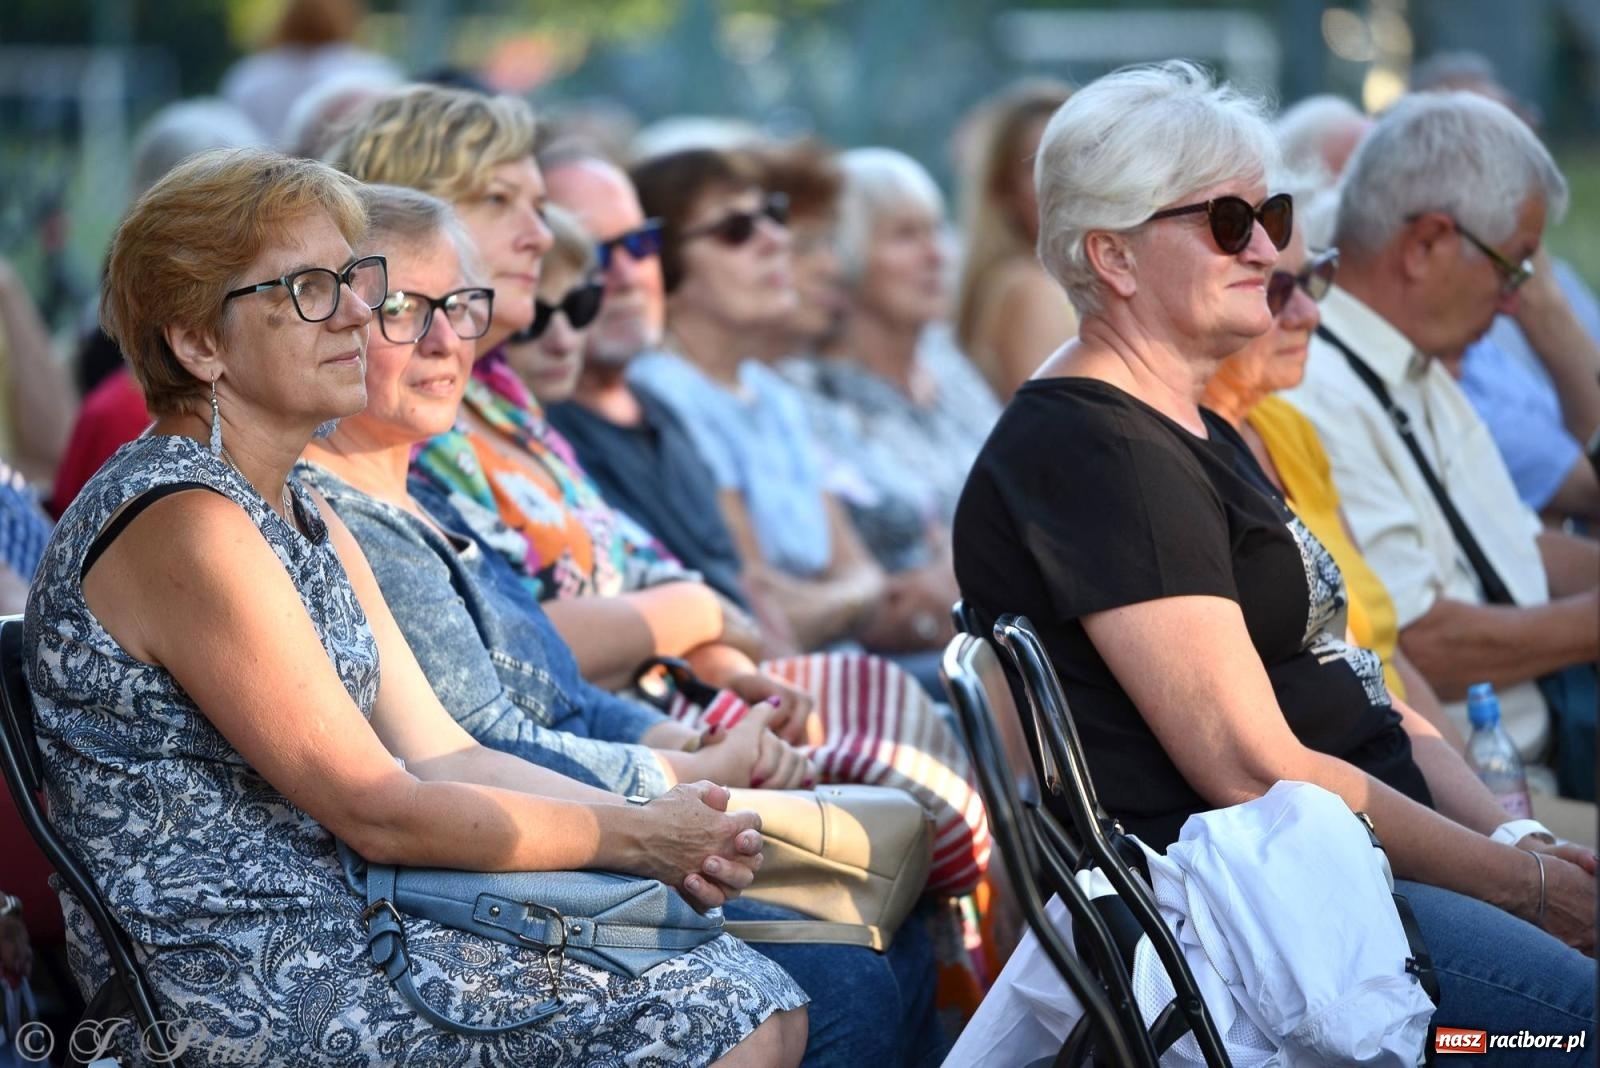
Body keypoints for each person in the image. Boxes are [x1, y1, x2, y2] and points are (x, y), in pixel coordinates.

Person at [24, 147, 807, 1066]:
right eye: (311, 289)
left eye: (354, 280)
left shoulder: (295, 502)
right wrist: (638, 837)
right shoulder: (186, 521)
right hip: (245, 976)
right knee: (733, 1004)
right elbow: (379, 808)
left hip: (355, 916)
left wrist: (671, 812)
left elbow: (448, 751)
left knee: (743, 985)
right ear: (198, 343)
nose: (362, 312)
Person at [951, 62, 1594, 1046]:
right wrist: (1520, 883)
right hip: (1281, 923)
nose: (1265, 247)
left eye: (1271, 211)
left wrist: (1513, 837)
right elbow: (1249, 767)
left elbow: (1363, 681)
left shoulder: (1188, 422)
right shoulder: (1097, 451)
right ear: (1112, 258)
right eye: (1225, 224)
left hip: (1361, 870)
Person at [300, 185, 942, 1065]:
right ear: (330, 325)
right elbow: (473, 751)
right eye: (405, 311)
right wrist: (684, 776)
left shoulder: (426, 503)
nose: (449, 340)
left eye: (460, 307)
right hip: (478, 886)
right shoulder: (345, 517)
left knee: (888, 922)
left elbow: (559, 684)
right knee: (849, 973)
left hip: (568, 830)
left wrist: (687, 734)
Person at [328, 86, 990, 900]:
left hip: (643, 741)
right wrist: (699, 676)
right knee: (874, 888)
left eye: (638, 243)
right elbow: (510, 695)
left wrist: (710, 682)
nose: (603, 273)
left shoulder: (506, 409)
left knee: (915, 809)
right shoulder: (405, 437)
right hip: (577, 803)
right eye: (501, 201)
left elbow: (619, 618)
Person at [1280, 91, 1599, 786]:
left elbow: (1514, 548)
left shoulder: (1410, 357)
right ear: (1424, 244)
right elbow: (1420, 642)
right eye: (1511, 266)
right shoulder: (1318, 385)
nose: (1517, 299)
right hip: (1502, 786)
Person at [628, 148, 947, 667]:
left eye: (771, 217)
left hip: (839, 662)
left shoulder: (770, 391)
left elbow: (859, 570)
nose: (776, 241)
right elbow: (760, 610)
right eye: (736, 230)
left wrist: (847, 595)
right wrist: (857, 597)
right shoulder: (664, 394)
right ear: (665, 266)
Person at [1197, 190, 1457, 741]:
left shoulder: (1286, 429)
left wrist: (1489, 803)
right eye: (1277, 290)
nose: (1310, 314)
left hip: (1420, 756)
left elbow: (1391, 657)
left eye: (1313, 280)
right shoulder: (1191, 466)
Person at [782, 147, 999, 641]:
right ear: (844, 256)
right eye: (906, 236)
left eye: (936, 229)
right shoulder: (804, 395)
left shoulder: (951, 369)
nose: (937, 255)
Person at [953, 80, 1077, 400]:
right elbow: (1056, 436)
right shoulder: (1029, 290)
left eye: (1078, 158)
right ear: (1004, 193)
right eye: (1042, 168)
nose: (1067, 181)